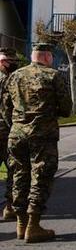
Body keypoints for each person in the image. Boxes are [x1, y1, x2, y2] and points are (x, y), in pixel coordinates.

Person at [1, 43, 71, 243]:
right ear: (48, 57)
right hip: (43, 135)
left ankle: (20, 223)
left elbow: (5, 109)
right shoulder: (53, 76)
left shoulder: (14, 76)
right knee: (40, 176)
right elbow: (66, 108)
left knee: (18, 175)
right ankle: (33, 224)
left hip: (16, 134)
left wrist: (17, 124)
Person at [0, 47, 19, 221]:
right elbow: (7, 110)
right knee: (13, 169)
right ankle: (10, 207)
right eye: (10, 61)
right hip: (5, 133)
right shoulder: (5, 80)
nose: (12, 64)